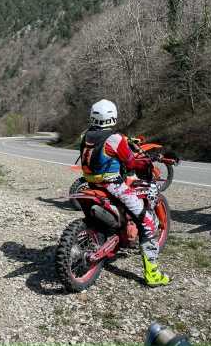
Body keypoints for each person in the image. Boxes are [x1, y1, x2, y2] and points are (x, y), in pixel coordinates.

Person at [79, 99, 172, 286]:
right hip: (113, 185)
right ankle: (153, 274)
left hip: (91, 183)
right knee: (147, 222)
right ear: (113, 116)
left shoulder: (85, 135)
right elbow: (130, 163)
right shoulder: (115, 138)